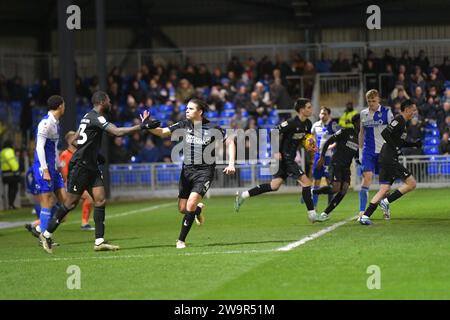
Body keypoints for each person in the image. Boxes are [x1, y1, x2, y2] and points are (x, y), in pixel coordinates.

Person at [39, 91, 160, 253]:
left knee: (100, 200)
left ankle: (99, 241)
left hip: (91, 165)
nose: (110, 103)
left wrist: (95, 154)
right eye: (109, 101)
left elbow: (75, 140)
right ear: (102, 102)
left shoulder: (87, 116)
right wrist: (142, 126)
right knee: (70, 204)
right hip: (81, 166)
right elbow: (116, 132)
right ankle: (46, 234)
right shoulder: (97, 116)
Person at [146, 98, 236, 249]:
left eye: (191, 108)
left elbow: (230, 142)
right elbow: (161, 132)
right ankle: (198, 210)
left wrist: (231, 163)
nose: (187, 110)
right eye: (187, 108)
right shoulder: (183, 124)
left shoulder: (213, 128)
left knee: (191, 203)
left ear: (200, 112)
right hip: (187, 171)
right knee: (183, 209)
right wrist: (147, 126)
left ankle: (180, 240)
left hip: (204, 172)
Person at [234, 98, 319, 223]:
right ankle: (312, 214)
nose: (311, 109)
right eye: (308, 107)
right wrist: (275, 151)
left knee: (274, 186)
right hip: (285, 158)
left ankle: (244, 195)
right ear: (301, 110)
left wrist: (310, 146)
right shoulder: (290, 123)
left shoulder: (308, 124)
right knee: (306, 183)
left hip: (288, 158)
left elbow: (304, 139)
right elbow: (273, 132)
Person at [359, 100, 420, 225]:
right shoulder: (399, 119)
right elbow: (385, 133)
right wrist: (396, 148)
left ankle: (365, 216)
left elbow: (399, 141)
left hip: (386, 157)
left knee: (384, 189)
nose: (414, 112)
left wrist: (413, 144)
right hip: (389, 158)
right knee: (411, 183)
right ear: (407, 109)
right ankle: (385, 202)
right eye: (413, 110)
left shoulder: (404, 123)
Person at [31, 96, 67, 239]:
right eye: (64, 105)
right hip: (43, 166)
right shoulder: (45, 123)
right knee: (47, 199)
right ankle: (44, 235)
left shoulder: (56, 123)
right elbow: (39, 147)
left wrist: (59, 167)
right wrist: (45, 170)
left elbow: (54, 148)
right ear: (59, 106)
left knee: (66, 202)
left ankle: (40, 228)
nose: (65, 107)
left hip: (52, 167)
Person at [313, 115, 360, 221]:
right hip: (336, 163)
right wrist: (322, 157)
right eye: (361, 121)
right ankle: (313, 192)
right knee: (335, 188)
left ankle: (325, 213)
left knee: (344, 189)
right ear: (356, 123)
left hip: (346, 167)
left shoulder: (361, 138)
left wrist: (360, 161)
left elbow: (356, 154)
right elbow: (329, 141)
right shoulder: (346, 131)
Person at [359, 89, 394, 218]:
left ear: (378, 100)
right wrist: (360, 151)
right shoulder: (363, 114)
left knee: (384, 186)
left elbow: (393, 131)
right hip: (368, 152)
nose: (371, 103)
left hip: (383, 152)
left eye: (373, 101)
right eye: (369, 101)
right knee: (366, 179)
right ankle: (362, 211)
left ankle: (385, 209)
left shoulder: (387, 112)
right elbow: (361, 133)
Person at [59, 131, 94, 231]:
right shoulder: (65, 154)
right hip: (69, 184)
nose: (78, 140)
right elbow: (64, 172)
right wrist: (67, 184)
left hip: (77, 182)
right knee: (66, 209)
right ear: (70, 140)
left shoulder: (78, 152)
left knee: (68, 208)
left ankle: (84, 223)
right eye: (76, 138)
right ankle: (39, 225)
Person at [310, 107, 340, 208]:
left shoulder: (334, 125)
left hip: (329, 157)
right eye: (321, 113)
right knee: (316, 181)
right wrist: (312, 145)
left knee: (329, 182)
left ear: (329, 115)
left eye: (325, 114)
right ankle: (313, 206)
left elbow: (340, 138)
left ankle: (329, 206)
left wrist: (332, 146)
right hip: (318, 156)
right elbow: (311, 138)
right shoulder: (316, 125)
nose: (323, 115)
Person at [1, 140, 20, 209]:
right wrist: (16, 170)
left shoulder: (2, 151)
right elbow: (11, 161)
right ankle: (11, 204)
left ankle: (10, 204)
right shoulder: (9, 151)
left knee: (10, 189)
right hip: (11, 173)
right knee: (14, 188)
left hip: (5, 173)